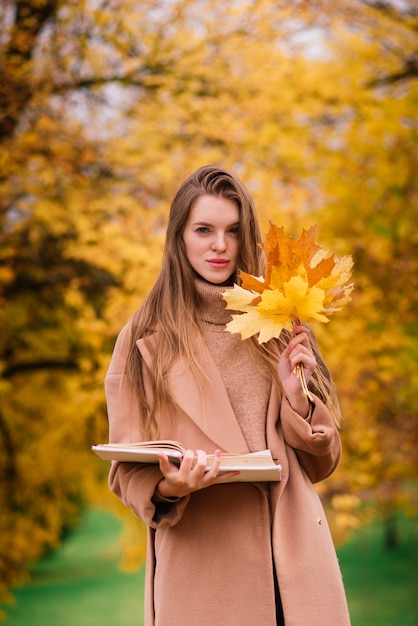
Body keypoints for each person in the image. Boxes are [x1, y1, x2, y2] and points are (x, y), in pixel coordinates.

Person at [105, 165, 351, 626]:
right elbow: (126, 467)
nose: (219, 245)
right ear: (179, 237)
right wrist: (170, 487)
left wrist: (297, 396)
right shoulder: (143, 337)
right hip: (203, 565)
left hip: (291, 564)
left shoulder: (280, 320)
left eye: (233, 231)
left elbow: (321, 462)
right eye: (204, 229)